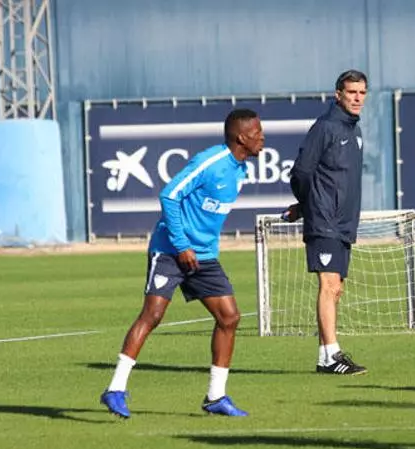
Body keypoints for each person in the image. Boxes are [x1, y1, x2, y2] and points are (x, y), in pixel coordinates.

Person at [99, 108, 265, 418]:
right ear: (242, 138)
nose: (262, 138)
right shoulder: (210, 162)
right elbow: (169, 195)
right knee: (153, 314)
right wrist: (181, 244)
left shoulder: (240, 169)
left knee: (229, 317)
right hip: (170, 250)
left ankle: (216, 397)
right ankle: (115, 389)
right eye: (257, 133)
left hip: (203, 256)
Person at [284, 70, 368, 375]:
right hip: (325, 220)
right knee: (328, 285)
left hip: (343, 222)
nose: (357, 98)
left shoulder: (354, 129)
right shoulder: (325, 127)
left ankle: (324, 357)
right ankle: (333, 355)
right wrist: (310, 205)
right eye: (351, 92)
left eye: (362, 93)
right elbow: (302, 172)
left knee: (336, 289)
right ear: (338, 94)